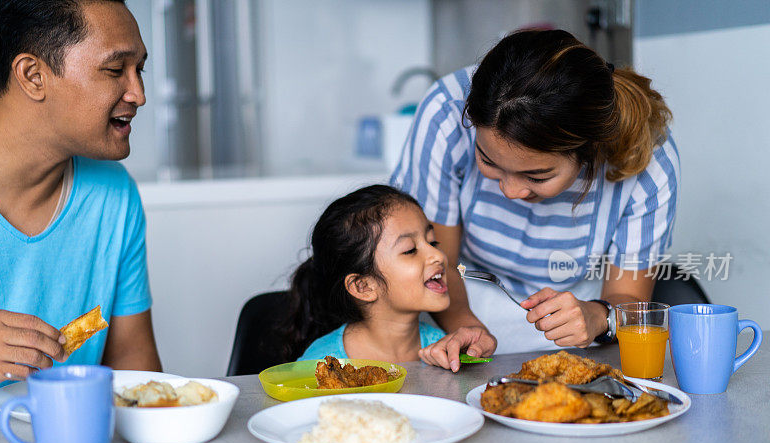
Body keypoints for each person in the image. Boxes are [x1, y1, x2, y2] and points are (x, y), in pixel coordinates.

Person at [391, 29, 679, 371]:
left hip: (582, 321)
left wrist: (596, 315)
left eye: (537, 176)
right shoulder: (445, 113)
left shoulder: (646, 159)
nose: (510, 192)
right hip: (458, 301)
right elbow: (438, 262)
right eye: (488, 161)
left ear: (590, 152)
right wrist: (465, 326)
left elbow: (629, 300)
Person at [0, 0, 161, 393]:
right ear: (33, 75)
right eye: (114, 70)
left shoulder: (114, 195)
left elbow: (134, 372)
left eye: (138, 70)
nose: (138, 94)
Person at [280, 185, 448, 364]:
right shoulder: (319, 366)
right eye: (410, 250)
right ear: (363, 286)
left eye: (433, 242)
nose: (438, 255)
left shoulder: (443, 348)